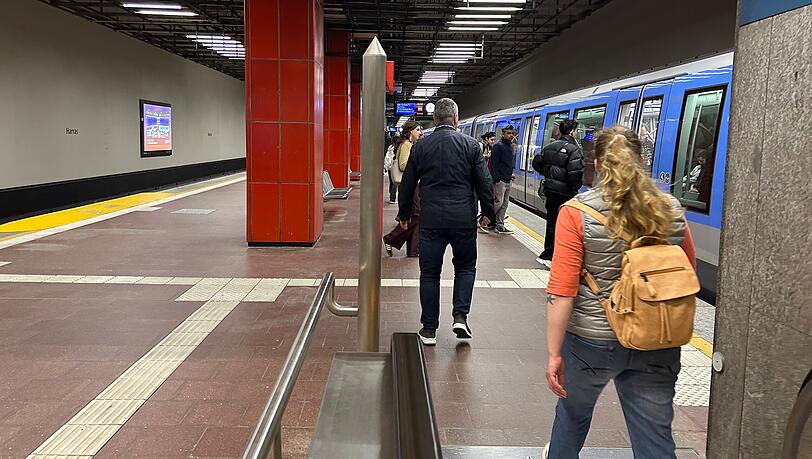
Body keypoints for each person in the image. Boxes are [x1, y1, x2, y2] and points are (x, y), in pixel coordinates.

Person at [541, 126, 697, 459]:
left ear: (596, 163)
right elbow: (688, 275)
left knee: (572, 418)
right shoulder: (670, 209)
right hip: (657, 338)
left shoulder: (577, 212)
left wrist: (554, 354)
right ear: (641, 161)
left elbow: (563, 291)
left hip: (591, 342)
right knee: (654, 436)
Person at [397, 98, 495, 346]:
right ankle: (460, 317)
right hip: (463, 220)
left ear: (434, 120)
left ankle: (429, 329)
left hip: (431, 221)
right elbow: (484, 182)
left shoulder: (421, 147)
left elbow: (407, 184)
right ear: (455, 119)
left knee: (429, 273)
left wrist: (405, 215)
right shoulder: (472, 146)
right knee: (465, 268)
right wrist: (489, 213)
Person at [534, 119, 584, 268]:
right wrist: (574, 187)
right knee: (565, 226)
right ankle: (558, 256)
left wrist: (548, 174)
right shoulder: (574, 150)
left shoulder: (550, 146)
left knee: (551, 222)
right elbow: (575, 174)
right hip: (566, 193)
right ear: (572, 132)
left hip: (550, 190)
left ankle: (547, 254)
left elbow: (536, 163)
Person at [486, 125, 516, 234]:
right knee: (498, 202)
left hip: (508, 179)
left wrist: (510, 174)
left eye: (512, 133)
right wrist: (496, 178)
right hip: (500, 180)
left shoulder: (510, 146)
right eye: (508, 133)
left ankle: (499, 224)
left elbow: (507, 163)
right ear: (503, 134)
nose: (511, 135)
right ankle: (486, 220)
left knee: (504, 204)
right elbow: (494, 163)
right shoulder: (498, 146)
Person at [389, 121, 422, 197]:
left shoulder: (405, 143)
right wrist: (418, 166)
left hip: (405, 183)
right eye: (417, 130)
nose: (420, 133)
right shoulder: (407, 144)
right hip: (407, 182)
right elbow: (403, 165)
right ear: (410, 131)